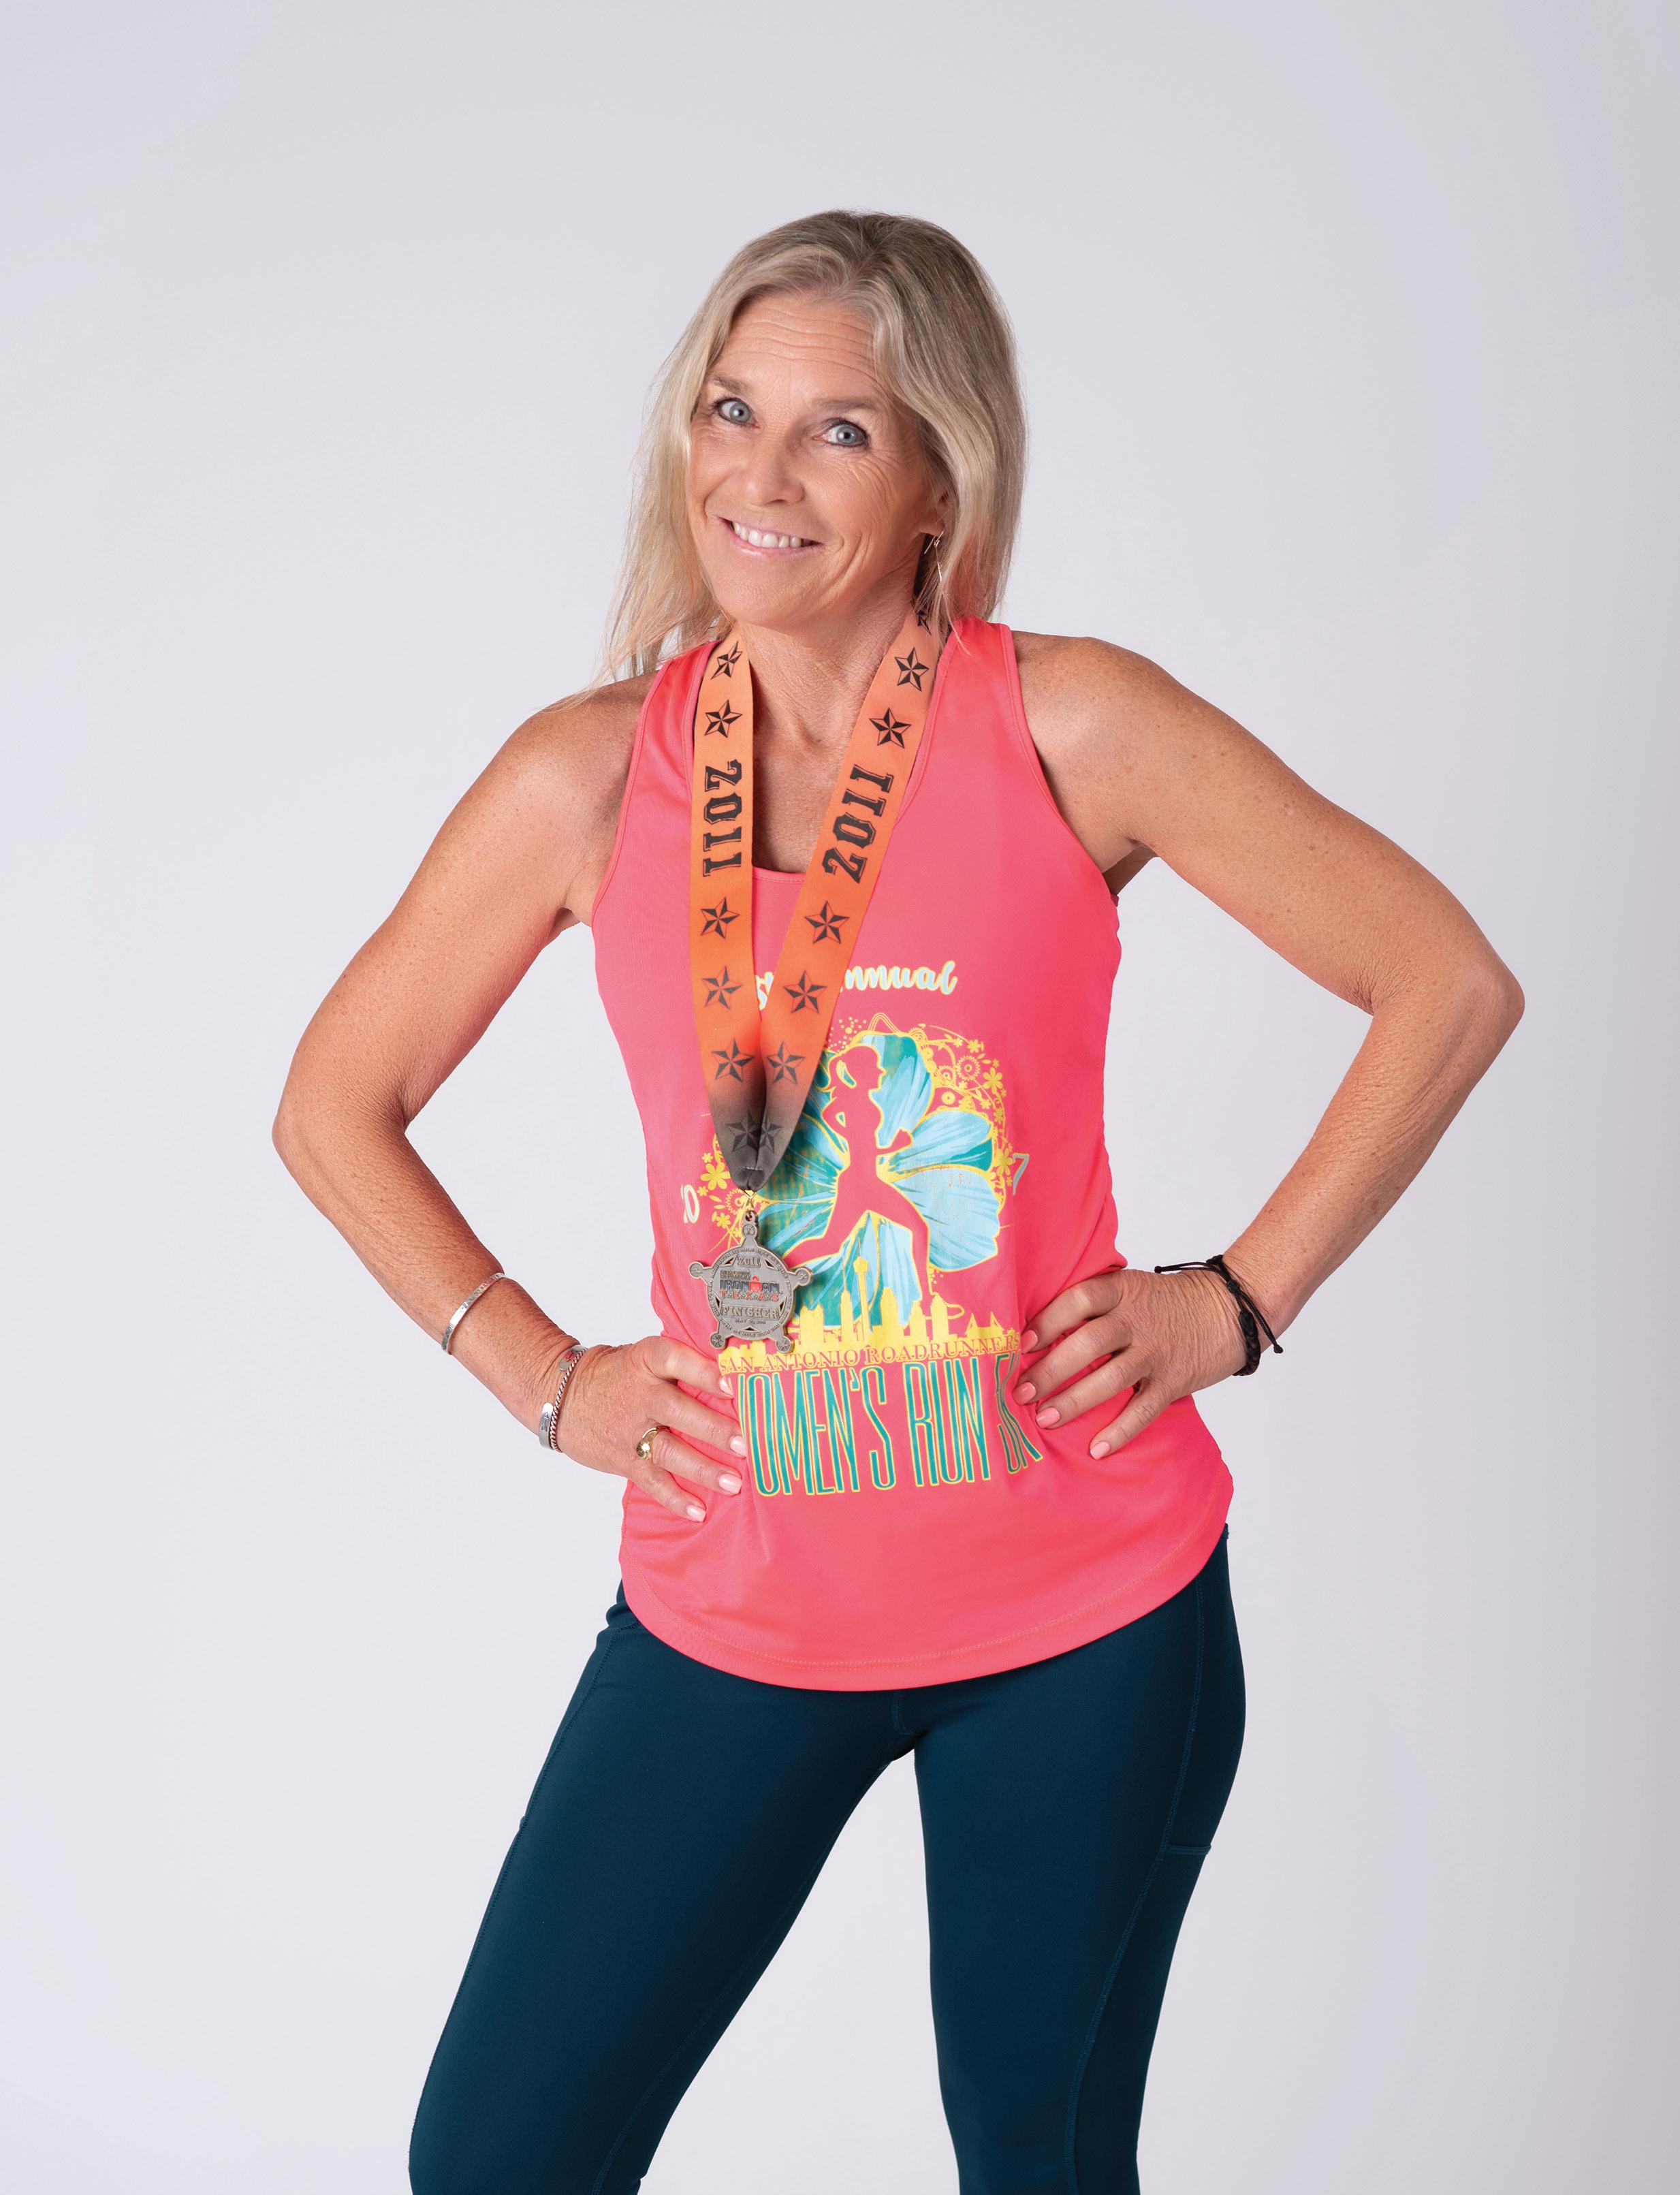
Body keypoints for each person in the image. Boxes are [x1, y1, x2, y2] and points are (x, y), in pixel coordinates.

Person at [272, 209, 1523, 2194]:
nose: (759, 475)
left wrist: (1234, 1299)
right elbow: (333, 1103)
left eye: (837, 430)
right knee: (498, 2158)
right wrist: (538, 1374)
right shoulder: (588, 779)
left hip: (1082, 1612)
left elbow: (1443, 981)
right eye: (730, 410)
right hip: (734, 1600)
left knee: (1038, 2166)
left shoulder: (1069, 723)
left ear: (942, 477)